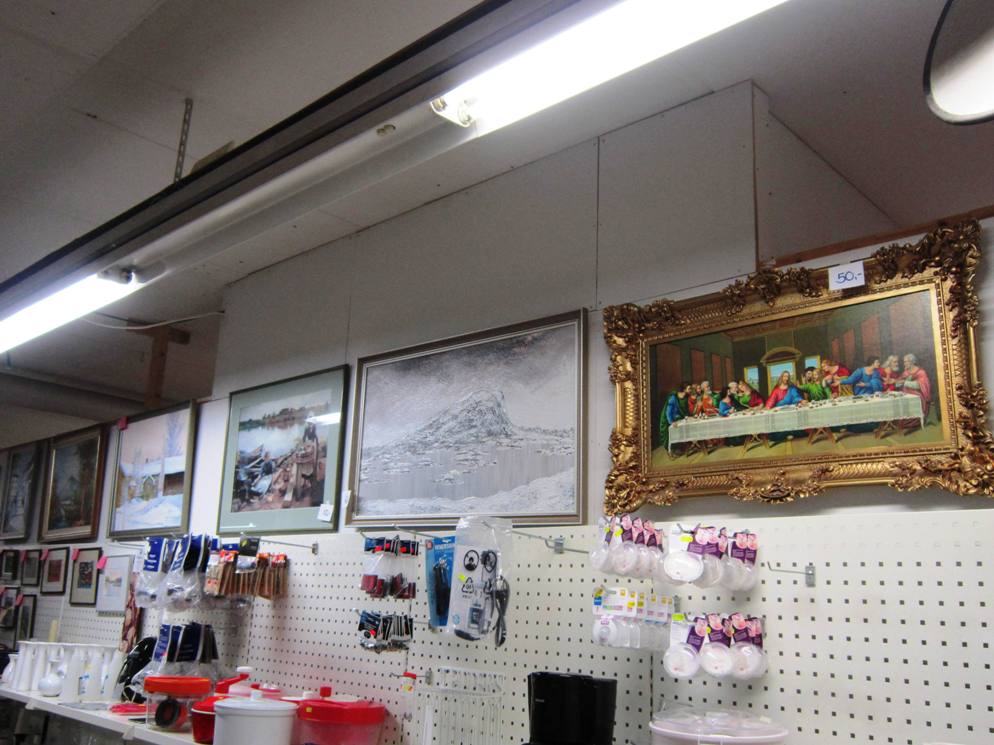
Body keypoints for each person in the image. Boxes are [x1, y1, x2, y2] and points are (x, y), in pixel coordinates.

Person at [895, 353, 932, 421]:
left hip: (918, 394)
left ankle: (915, 419)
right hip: (906, 393)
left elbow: (919, 385)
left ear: (912, 362)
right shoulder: (906, 372)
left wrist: (904, 382)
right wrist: (897, 382)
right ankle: (905, 418)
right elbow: (899, 383)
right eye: (904, 362)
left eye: (906, 362)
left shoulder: (921, 372)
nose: (904, 364)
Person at [660, 382, 692, 451]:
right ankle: (673, 449)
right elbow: (668, 412)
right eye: (689, 389)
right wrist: (671, 422)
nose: (690, 390)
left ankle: (684, 446)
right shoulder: (673, 398)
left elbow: (684, 410)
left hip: (678, 417)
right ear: (684, 390)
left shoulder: (685, 397)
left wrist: (687, 416)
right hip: (669, 418)